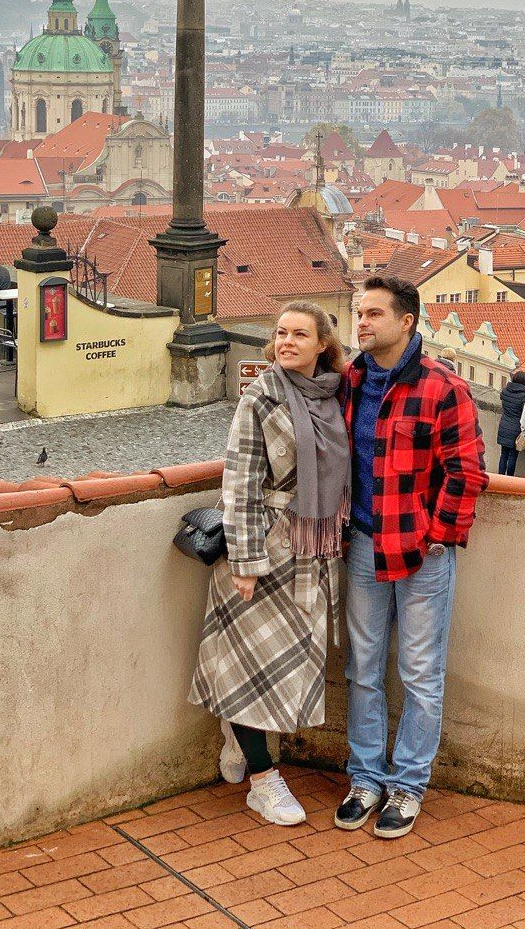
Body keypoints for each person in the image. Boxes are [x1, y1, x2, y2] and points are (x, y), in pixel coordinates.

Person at [336, 274, 487, 839]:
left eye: (374, 314)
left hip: (421, 551)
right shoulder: (351, 380)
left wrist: (439, 536)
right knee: (363, 669)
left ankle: (407, 785)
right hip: (363, 544)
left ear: (406, 322)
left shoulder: (444, 387)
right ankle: (365, 778)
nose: (362, 322)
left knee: (420, 673)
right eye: (360, 313)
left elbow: (467, 471)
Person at [190, 301, 349, 827]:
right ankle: (263, 781)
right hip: (263, 547)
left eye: (300, 334)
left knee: (287, 667)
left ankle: (238, 739)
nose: (287, 342)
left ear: (323, 344)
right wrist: (245, 560)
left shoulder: (335, 397)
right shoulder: (260, 396)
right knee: (249, 666)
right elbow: (239, 482)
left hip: (312, 551)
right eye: (281, 333)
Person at [496, 370, 525, 475]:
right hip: (516, 428)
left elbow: (502, 397)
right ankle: (510, 478)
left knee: (503, 454)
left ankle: (500, 477)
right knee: (513, 455)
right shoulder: (524, 396)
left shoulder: (505, 390)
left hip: (504, 425)